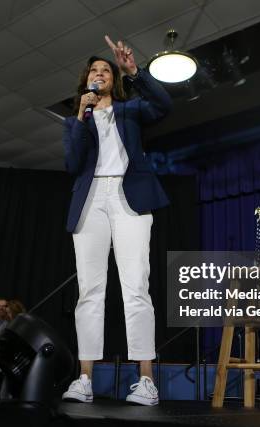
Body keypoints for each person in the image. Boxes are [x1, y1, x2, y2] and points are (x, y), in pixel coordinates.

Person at [61, 35, 172, 406]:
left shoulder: (130, 110)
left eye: (105, 70)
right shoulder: (77, 119)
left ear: (114, 78)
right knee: (90, 290)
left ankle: (146, 381)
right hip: (90, 199)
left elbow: (164, 104)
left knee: (136, 285)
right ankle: (84, 379)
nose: (100, 73)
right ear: (86, 80)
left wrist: (135, 71)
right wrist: (80, 115)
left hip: (130, 197)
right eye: (94, 70)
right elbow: (72, 163)